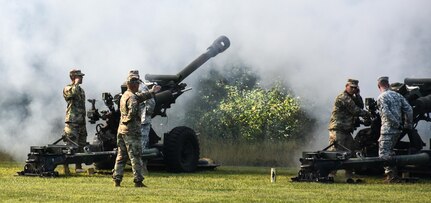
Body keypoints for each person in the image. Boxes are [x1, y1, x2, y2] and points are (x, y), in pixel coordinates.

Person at [112, 72, 160, 187]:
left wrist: (152, 92)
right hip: (131, 130)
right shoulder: (132, 98)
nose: (138, 85)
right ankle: (138, 180)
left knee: (121, 156)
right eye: (137, 83)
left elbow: (140, 97)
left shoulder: (125, 95)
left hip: (122, 130)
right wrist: (132, 121)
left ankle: (117, 179)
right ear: (132, 84)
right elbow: (132, 112)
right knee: (136, 156)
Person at [328, 79, 370, 182]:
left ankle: (349, 175)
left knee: (350, 152)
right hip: (338, 129)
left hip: (346, 130)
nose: (353, 89)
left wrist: (358, 95)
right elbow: (355, 110)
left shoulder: (352, 97)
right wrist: (367, 115)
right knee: (336, 152)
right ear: (346, 86)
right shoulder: (343, 97)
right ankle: (330, 174)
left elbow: (360, 105)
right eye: (352, 87)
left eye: (355, 88)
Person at [376, 76, 413, 183]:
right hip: (398, 130)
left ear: (379, 86)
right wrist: (407, 125)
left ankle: (391, 177)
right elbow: (409, 109)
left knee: (383, 153)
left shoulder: (381, 97)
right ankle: (394, 175)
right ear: (388, 84)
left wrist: (395, 123)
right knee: (390, 152)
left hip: (388, 129)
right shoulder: (398, 95)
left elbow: (386, 113)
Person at [63, 69, 87, 174]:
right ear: (73, 77)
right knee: (70, 145)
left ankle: (78, 166)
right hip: (72, 122)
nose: (81, 78)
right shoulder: (68, 88)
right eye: (79, 76)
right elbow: (71, 94)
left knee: (81, 145)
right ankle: (66, 167)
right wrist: (75, 83)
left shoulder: (81, 90)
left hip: (81, 122)